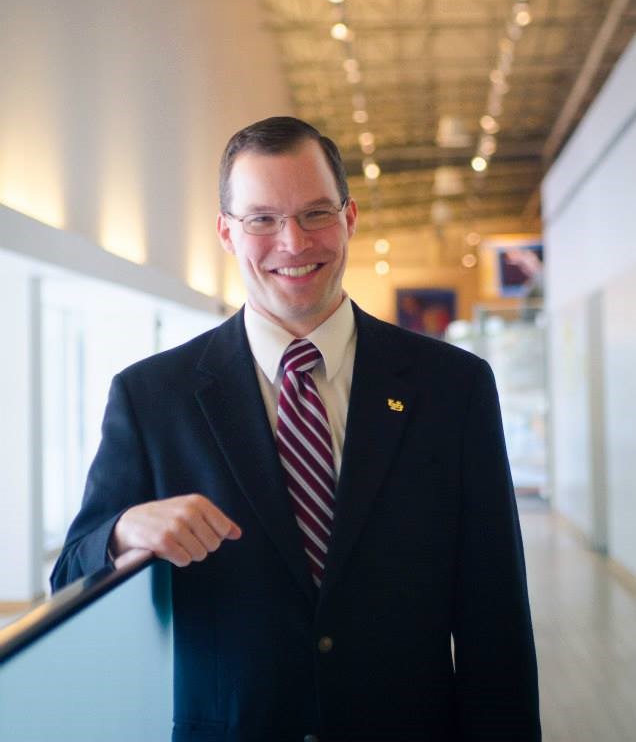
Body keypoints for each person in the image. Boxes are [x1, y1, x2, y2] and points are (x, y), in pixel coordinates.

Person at [52, 116, 541, 742]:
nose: (293, 242)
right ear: (227, 233)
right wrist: (122, 531)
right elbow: (70, 573)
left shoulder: (452, 386)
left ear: (349, 218)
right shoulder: (152, 397)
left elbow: (494, 607)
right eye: (262, 219)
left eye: (315, 214)